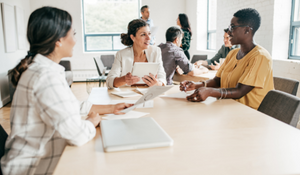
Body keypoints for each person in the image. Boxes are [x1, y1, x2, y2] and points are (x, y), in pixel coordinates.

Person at [1, 7, 132, 174]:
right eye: (73, 34)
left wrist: (111, 108)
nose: (75, 40)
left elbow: (69, 107)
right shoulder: (45, 77)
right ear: (59, 40)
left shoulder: (41, 70)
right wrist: (91, 122)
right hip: (30, 168)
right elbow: (76, 135)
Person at [180, 8, 274, 110]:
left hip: (250, 114)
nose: (228, 32)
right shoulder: (233, 53)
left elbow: (240, 91)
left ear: (247, 30)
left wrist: (209, 92)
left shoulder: (260, 57)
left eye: (232, 27)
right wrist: (196, 85)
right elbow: (217, 81)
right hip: (227, 108)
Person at [107, 19, 166, 88]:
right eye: (143, 34)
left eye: (149, 33)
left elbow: (162, 78)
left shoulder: (156, 51)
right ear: (133, 37)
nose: (148, 38)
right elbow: (109, 81)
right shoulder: (121, 54)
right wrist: (124, 79)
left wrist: (157, 84)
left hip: (149, 95)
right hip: (128, 96)